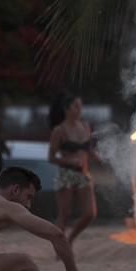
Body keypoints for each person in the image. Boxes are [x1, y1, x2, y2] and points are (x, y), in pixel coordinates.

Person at [48, 94, 98, 244]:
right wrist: (69, 160)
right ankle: (59, 245)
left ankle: (70, 239)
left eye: (80, 106)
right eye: (76, 106)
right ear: (67, 109)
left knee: (90, 213)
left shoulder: (85, 126)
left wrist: (99, 157)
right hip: (66, 174)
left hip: (83, 173)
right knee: (64, 214)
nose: (79, 110)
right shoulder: (59, 130)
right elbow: (51, 158)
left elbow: (88, 150)